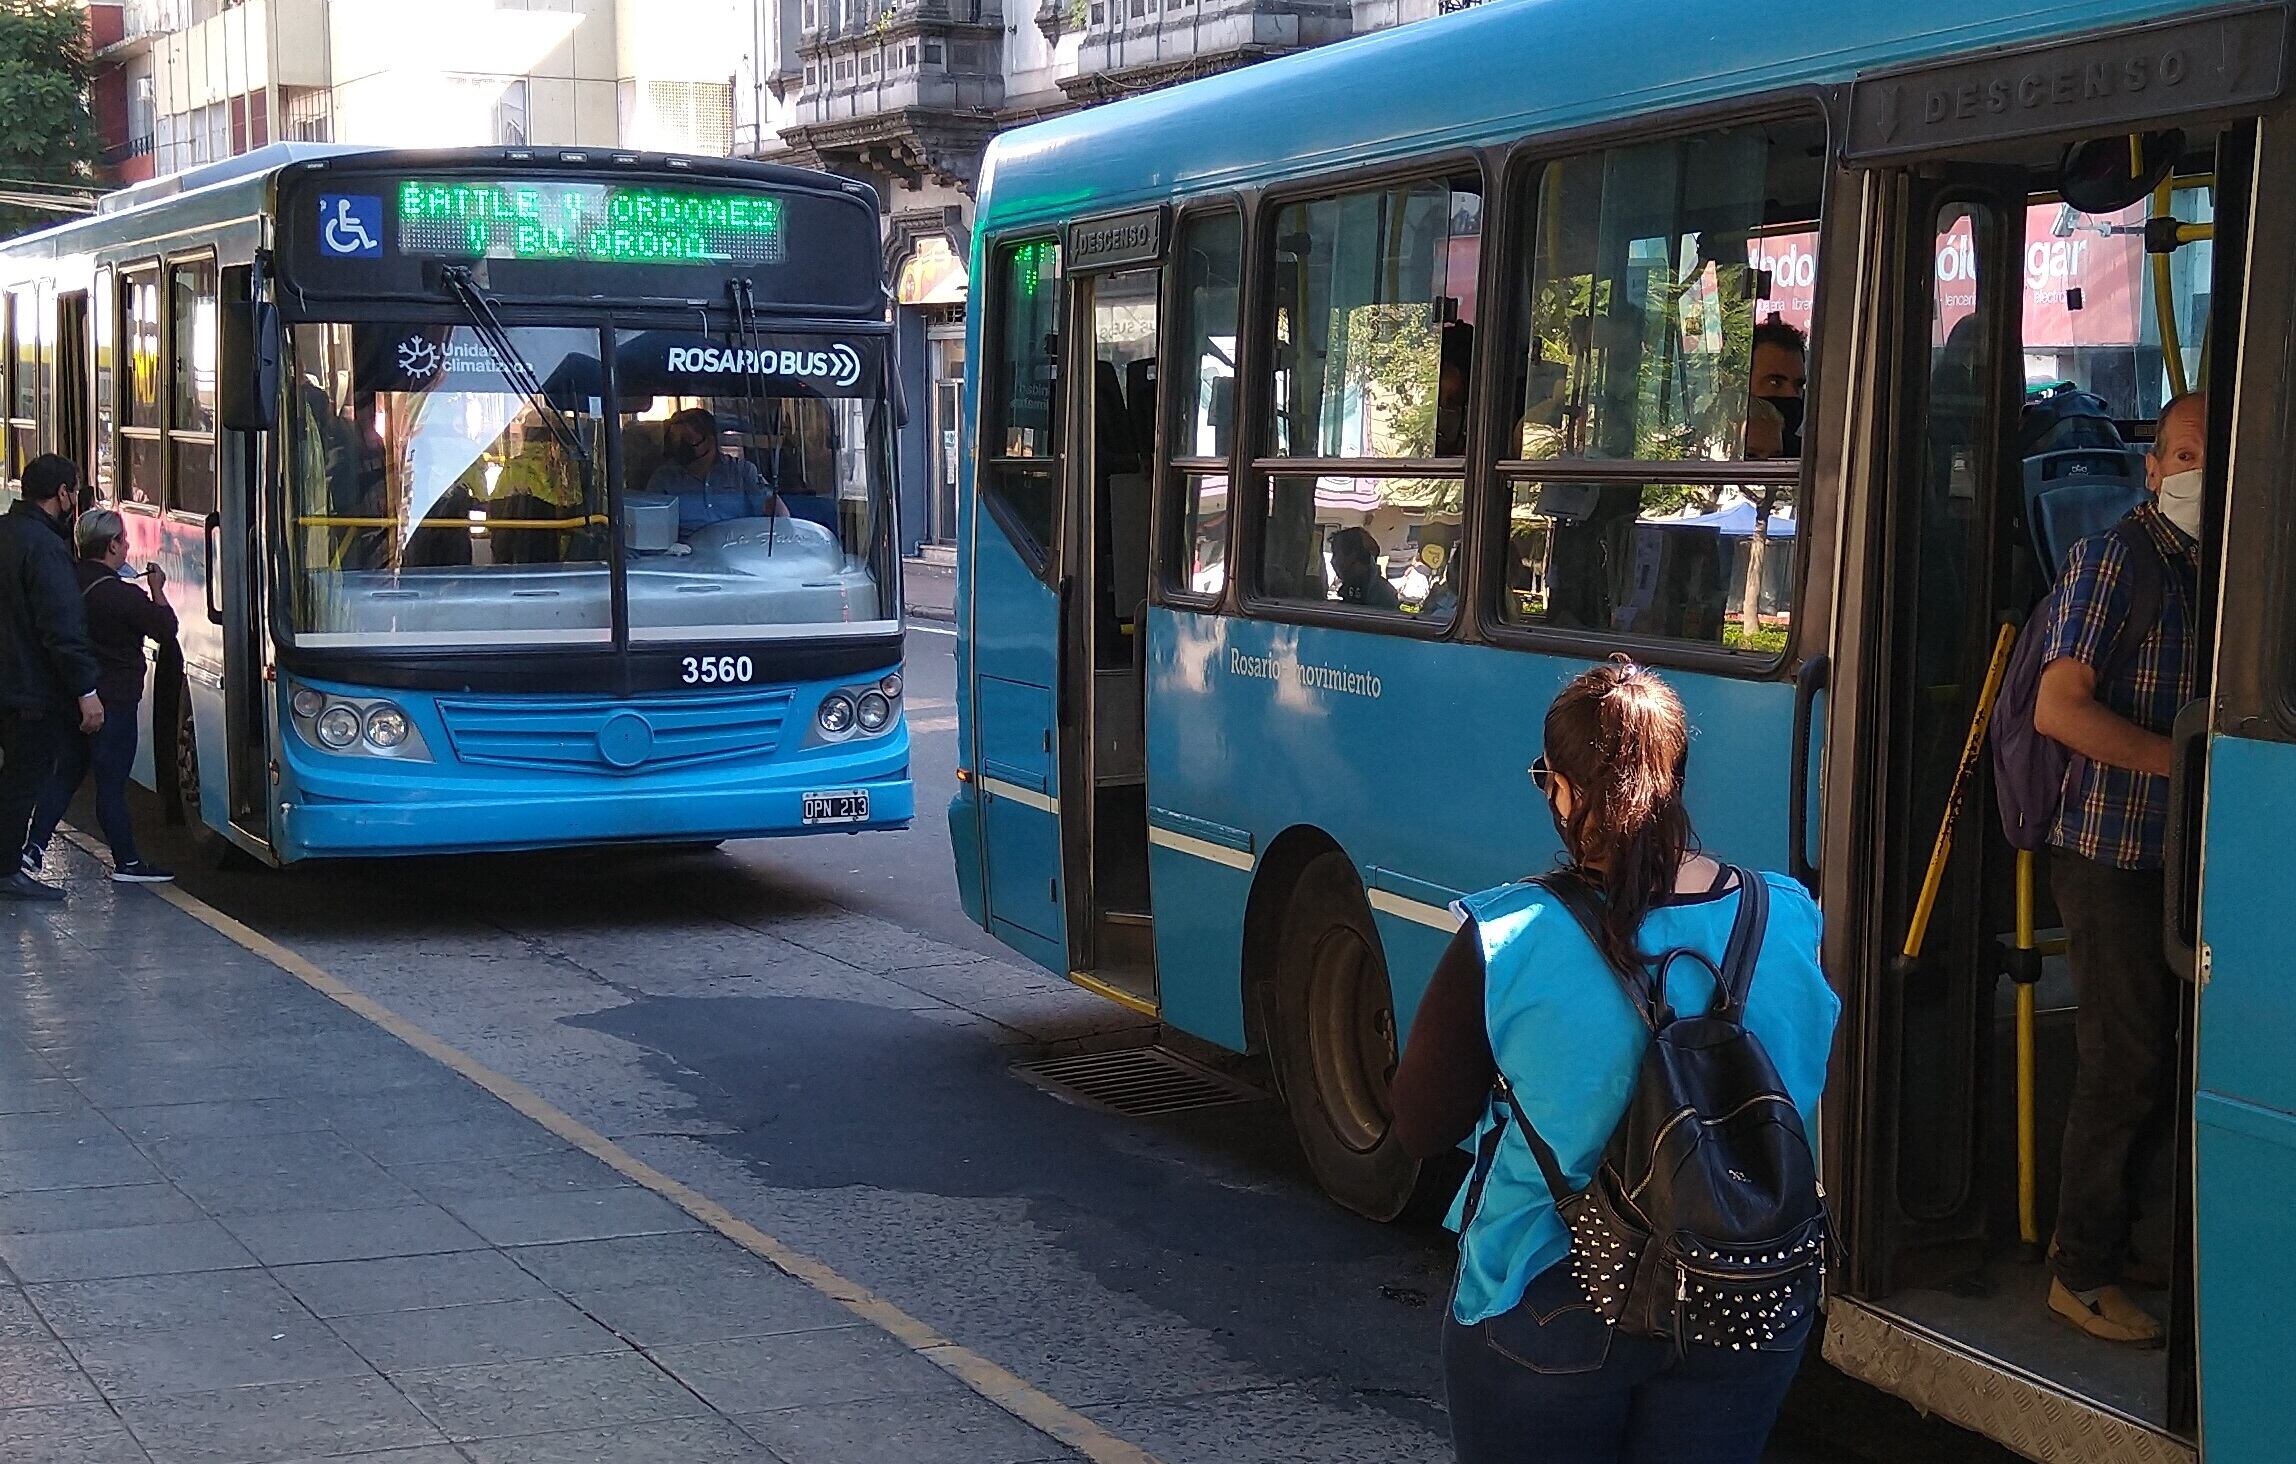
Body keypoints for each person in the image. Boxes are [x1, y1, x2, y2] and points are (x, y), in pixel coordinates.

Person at [1391, 659, 1839, 1464]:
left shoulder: (1509, 935)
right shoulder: (1789, 917)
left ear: (1564, 789)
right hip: (1747, 1294)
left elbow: (1421, 1128)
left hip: (1556, 1291)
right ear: (1676, 776)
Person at [2031, 390, 2206, 1347]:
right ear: (2152, 465)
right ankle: (2080, 1271)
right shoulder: (2114, 562)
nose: (2197, 477)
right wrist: (2182, 762)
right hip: (2112, 855)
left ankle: (2128, 1236)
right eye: (2183, 455)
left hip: (2184, 857)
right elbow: (2060, 710)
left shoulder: (2219, 571)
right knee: (2122, 1064)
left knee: (2165, 1058)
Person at [21, 508, 177, 885]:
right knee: (111, 782)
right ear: (111, 545)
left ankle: (34, 848)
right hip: (114, 703)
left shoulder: (66, 583)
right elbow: (165, 629)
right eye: (123, 540)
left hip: (73, 697)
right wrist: (157, 590)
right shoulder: (121, 596)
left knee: (66, 775)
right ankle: (128, 862)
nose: (126, 546)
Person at [0, 454, 104, 902]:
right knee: (24, 782)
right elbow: (61, 627)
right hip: (30, 692)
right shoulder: (44, 548)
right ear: (62, 493)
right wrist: (86, 690)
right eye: (74, 490)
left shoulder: (5, 533)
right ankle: (7, 868)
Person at [645, 407, 788, 537]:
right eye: (674, 441)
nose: (680, 447)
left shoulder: (743, 472)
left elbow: (778, 513)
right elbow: (650, 528)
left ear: (710, 440)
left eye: (687, 440)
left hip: (740, 553)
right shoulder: (663, 479)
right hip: (685, 559)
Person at [1749, 315, 1807, 460]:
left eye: (1798, 385)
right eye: (1775, 383)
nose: (1792, 394)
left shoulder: (1810, 462)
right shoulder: (1703, 453)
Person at [1327, 526, 1399, 610]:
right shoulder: (1356, 589)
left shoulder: (1380, 596)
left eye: (1336, 554)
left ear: (1353, 556)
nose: (1333, 561)